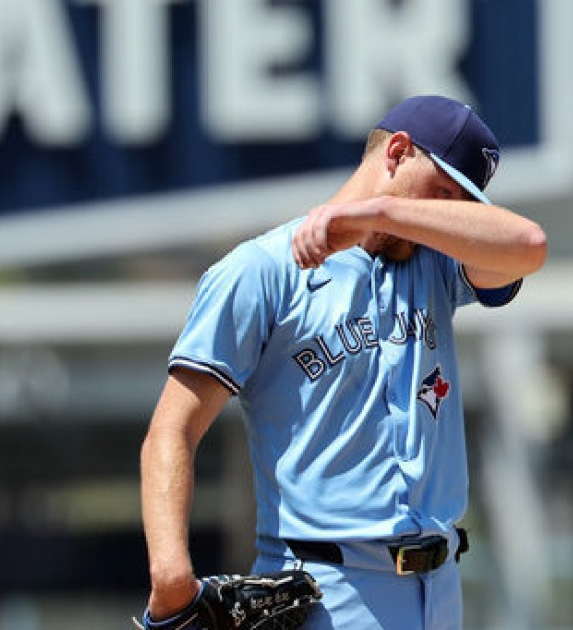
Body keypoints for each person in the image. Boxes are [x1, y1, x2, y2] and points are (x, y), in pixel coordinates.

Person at [139, 95, 547, 629]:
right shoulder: (263, 271)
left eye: (461, 205)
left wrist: (383, 211)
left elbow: (528, 245)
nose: (446, 215)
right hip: (327, 591)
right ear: (397, 153)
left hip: (441, 591)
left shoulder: (438, 266)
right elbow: (172, 430)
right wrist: (171, 578)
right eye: (443, 192)